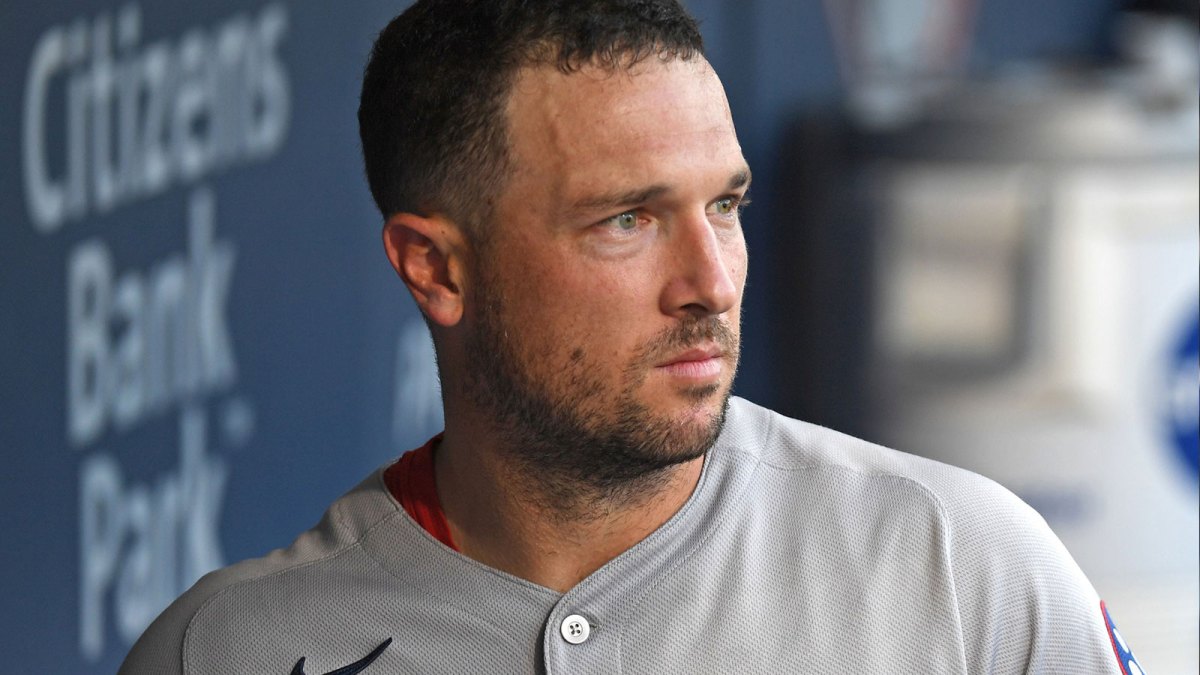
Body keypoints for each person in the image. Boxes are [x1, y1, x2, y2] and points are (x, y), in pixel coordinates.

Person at [121, 1, 1144, 673]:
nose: (710, 283)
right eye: (628, 220)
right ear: (436, 267)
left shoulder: (961, 568)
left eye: (726, 206)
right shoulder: (226, 652)